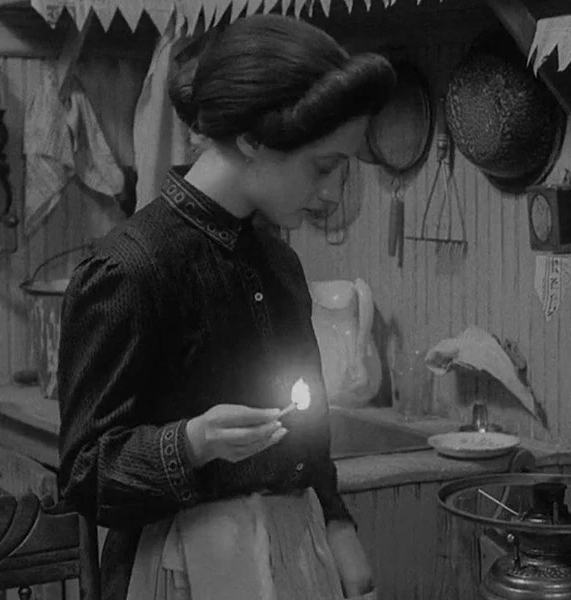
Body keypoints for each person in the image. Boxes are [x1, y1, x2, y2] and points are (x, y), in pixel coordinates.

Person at [55, 15, 396, 600]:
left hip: (297, 555)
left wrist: (338, 525)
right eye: (323, 166)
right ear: (251, 140)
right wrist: (190, 442)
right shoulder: (130, 270)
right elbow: (85, 476)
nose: (331, 194)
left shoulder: (279, 264)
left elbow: (308, 428)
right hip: (175, 570)